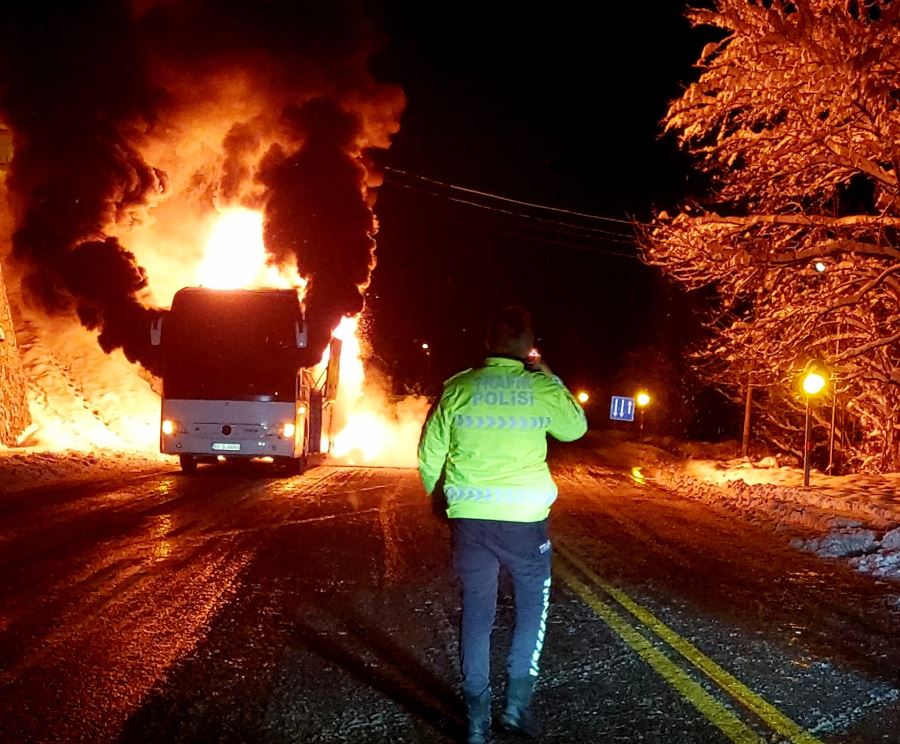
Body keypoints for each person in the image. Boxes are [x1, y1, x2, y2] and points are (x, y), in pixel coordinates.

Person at [418, 305, 587, 744]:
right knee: (532, 608)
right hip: (525, 526)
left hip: (470, 522)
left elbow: (429, 453)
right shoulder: (539, 388)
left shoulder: (458, 388)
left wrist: (441, 500)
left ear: (487, 341)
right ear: (527, 345)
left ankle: (476, 721)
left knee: (477, 613)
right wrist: (547, 370)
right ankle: (515, 708)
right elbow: (575, 428)